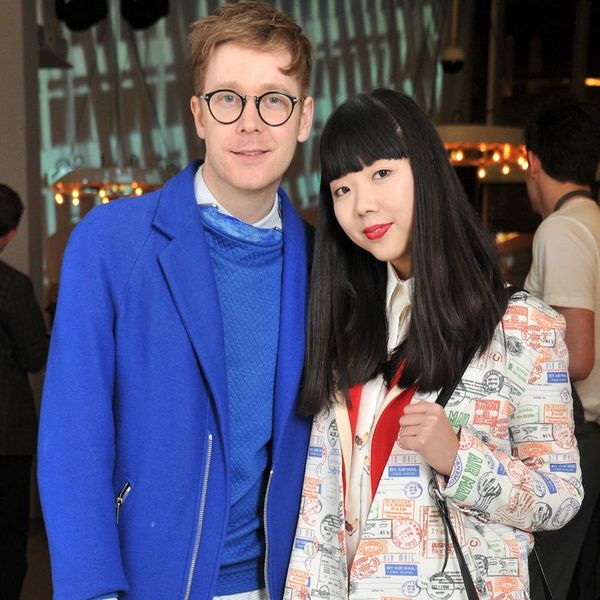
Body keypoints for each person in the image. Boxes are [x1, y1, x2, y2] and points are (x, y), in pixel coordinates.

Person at [37, 2, 314, 599]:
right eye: (228, 99)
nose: (250, 123)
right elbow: (72, 441)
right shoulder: (110, 244)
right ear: (198, 115)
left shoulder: (327, 266)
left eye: (274, 100)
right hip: (146, 583)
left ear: (303, 118)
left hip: (288, 584)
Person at [284, 89, 583, 599]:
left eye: (381, 173)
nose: (363, 205)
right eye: (342, 188)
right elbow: (323, 503)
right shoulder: (344, 324)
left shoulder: (521, 324)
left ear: (424, 169)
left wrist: (458, 457)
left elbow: (561, 497)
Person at [523, 97, 600, 600]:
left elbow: (578, 354)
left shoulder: (561, 228)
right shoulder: (592, 219)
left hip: (579, 437)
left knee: (543, 583)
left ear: (532, 160)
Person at [0, 183, 49, 599]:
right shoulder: (11, 286)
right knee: (8, 537)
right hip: (6, 432)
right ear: (10, 233)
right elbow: (34, 356)